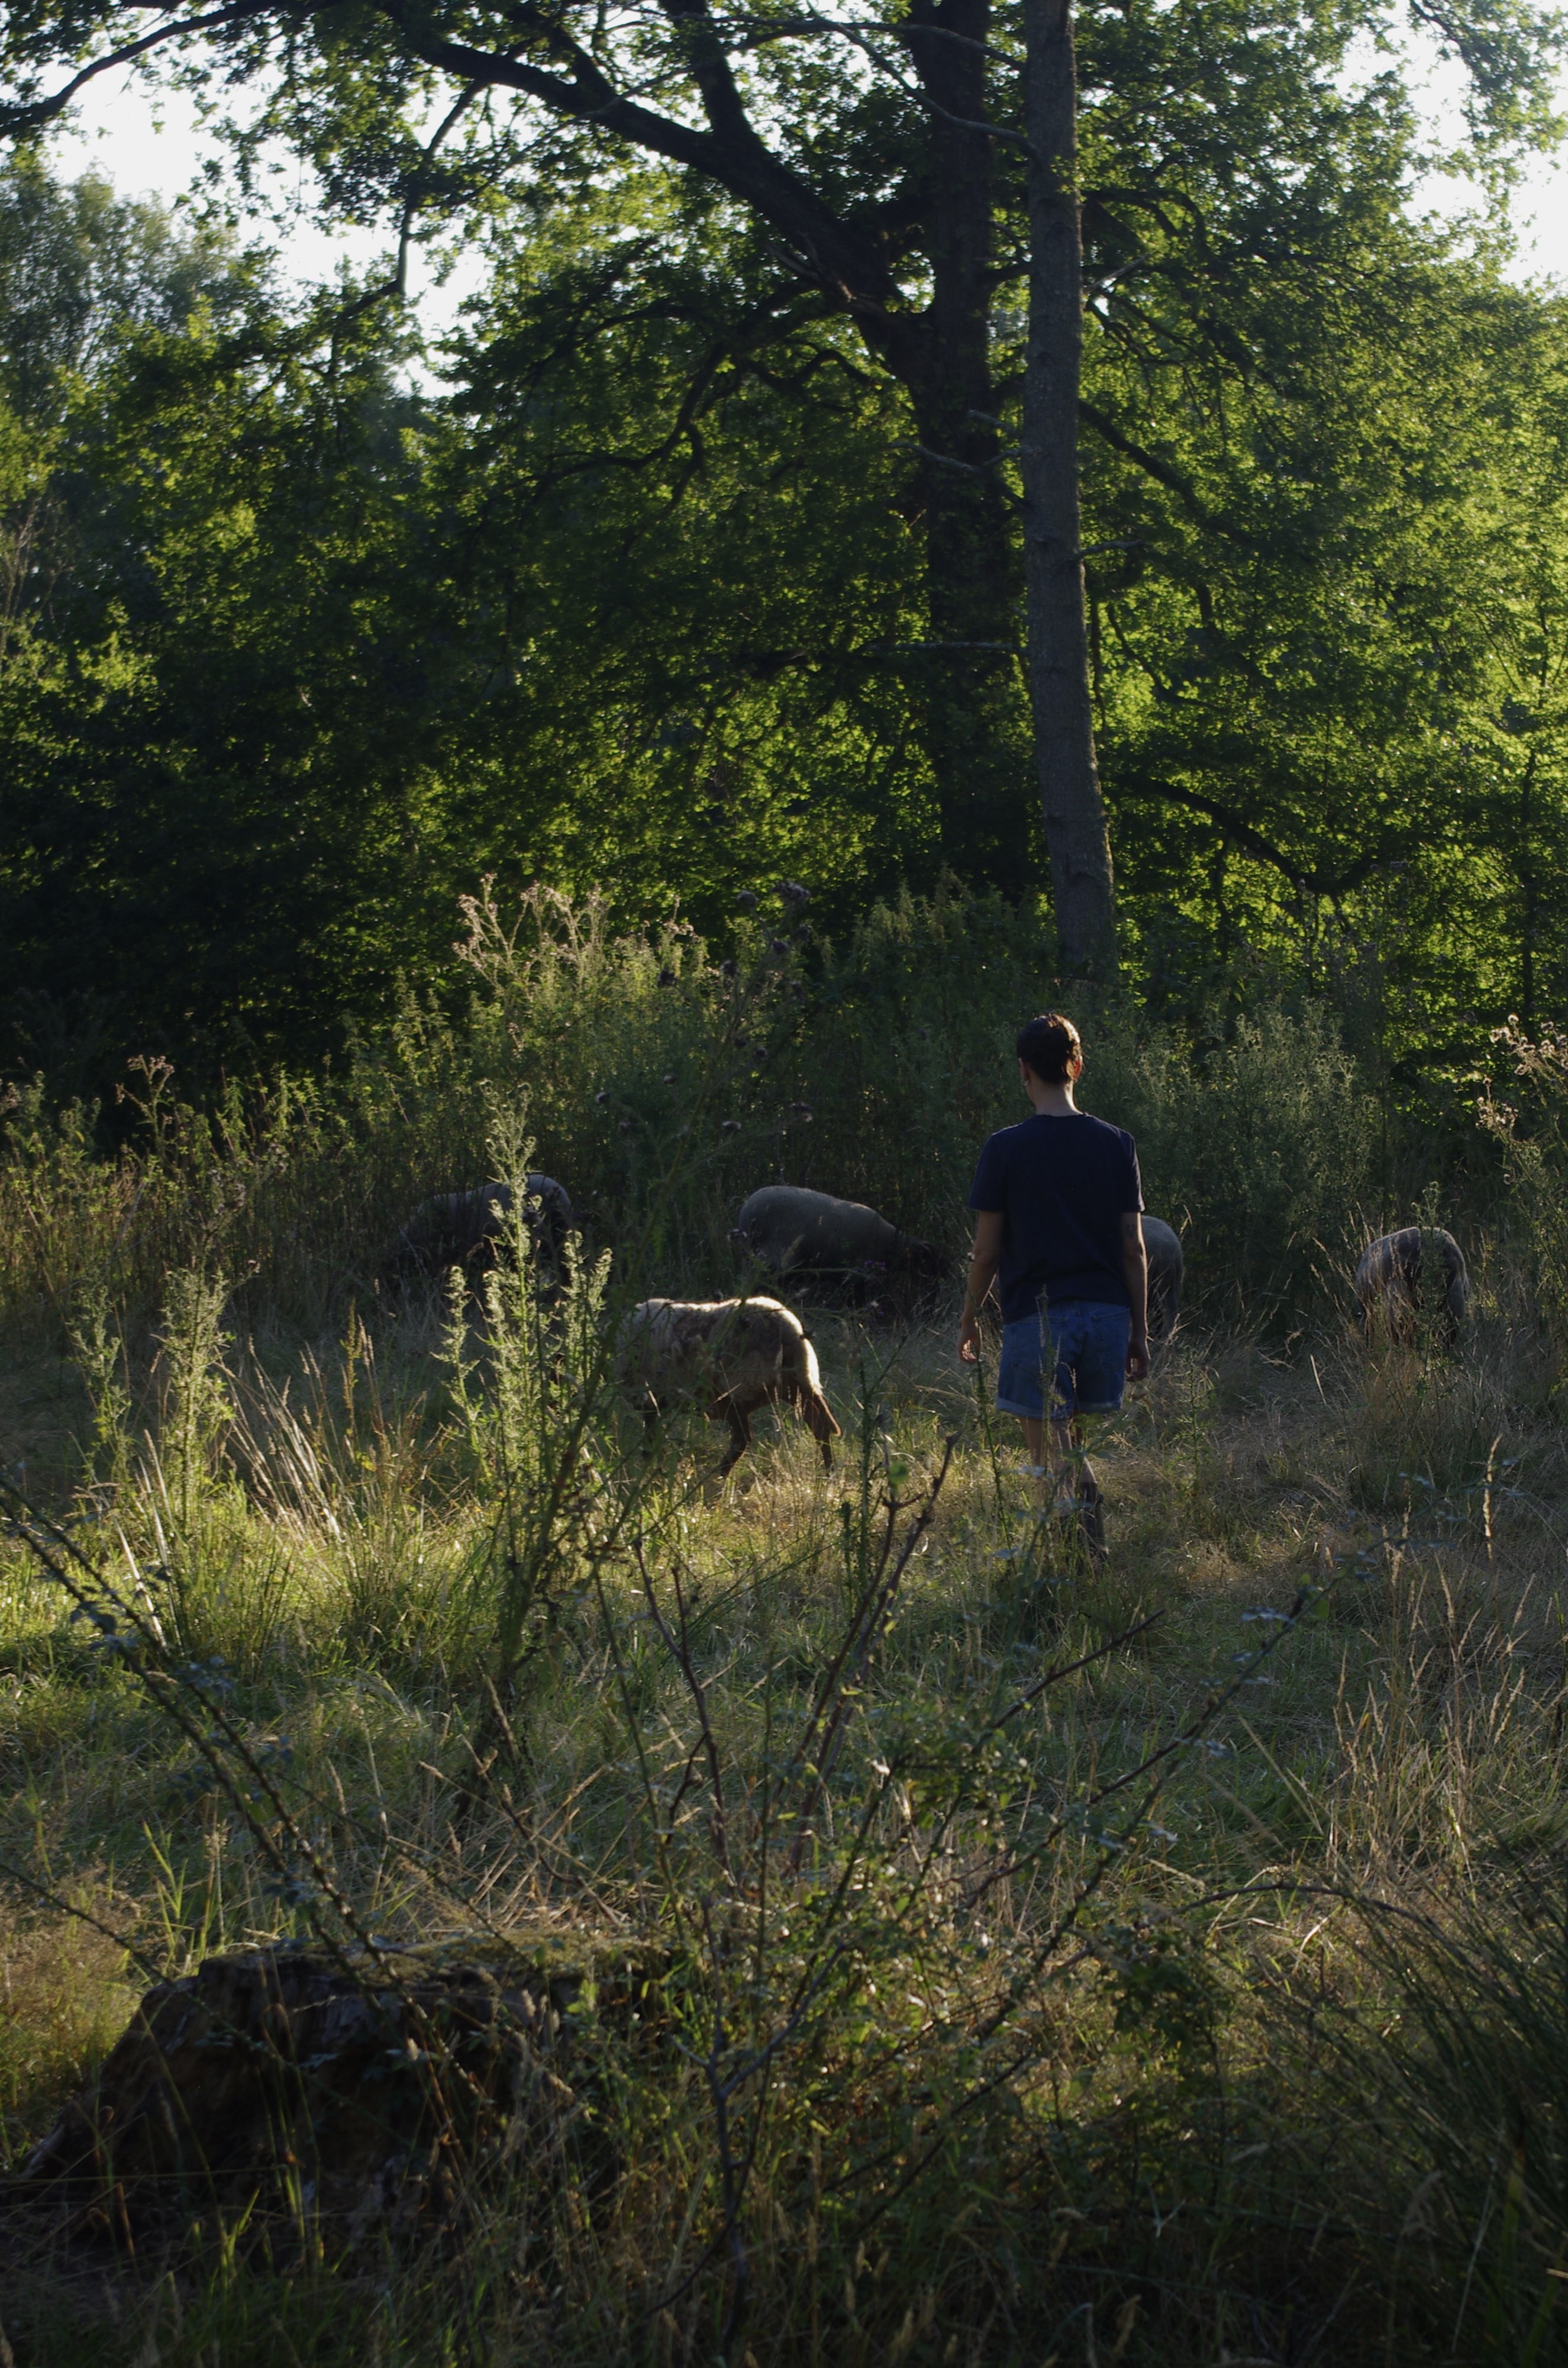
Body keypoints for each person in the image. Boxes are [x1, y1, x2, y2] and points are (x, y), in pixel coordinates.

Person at [959, 1012, 1148, 1551]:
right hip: (1108, 1318)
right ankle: (1084, 1559)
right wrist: (1140, 1331)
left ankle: (1079, 1564)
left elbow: (986, 1252)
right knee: (1071, 1438)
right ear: (1078, 1066)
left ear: (1023, 1070)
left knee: (1052, 1460)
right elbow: (1133, 1249)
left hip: (1037, 1320)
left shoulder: (1005, 1148)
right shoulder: (1118, 1144)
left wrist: (969, 1317)